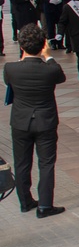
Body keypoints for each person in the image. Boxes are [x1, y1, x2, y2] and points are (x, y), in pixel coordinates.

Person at [2, 25, 66, 217]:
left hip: (20, 121)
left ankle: (25, 201)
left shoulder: (10, 69)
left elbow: (9, 83)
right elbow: (60, 76)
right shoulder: (51, 69)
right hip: (45, 121)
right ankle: (45, 205)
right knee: (46, 163)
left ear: (21, 45)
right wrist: (48, 56)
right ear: (43, 45)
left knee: (22, 163)